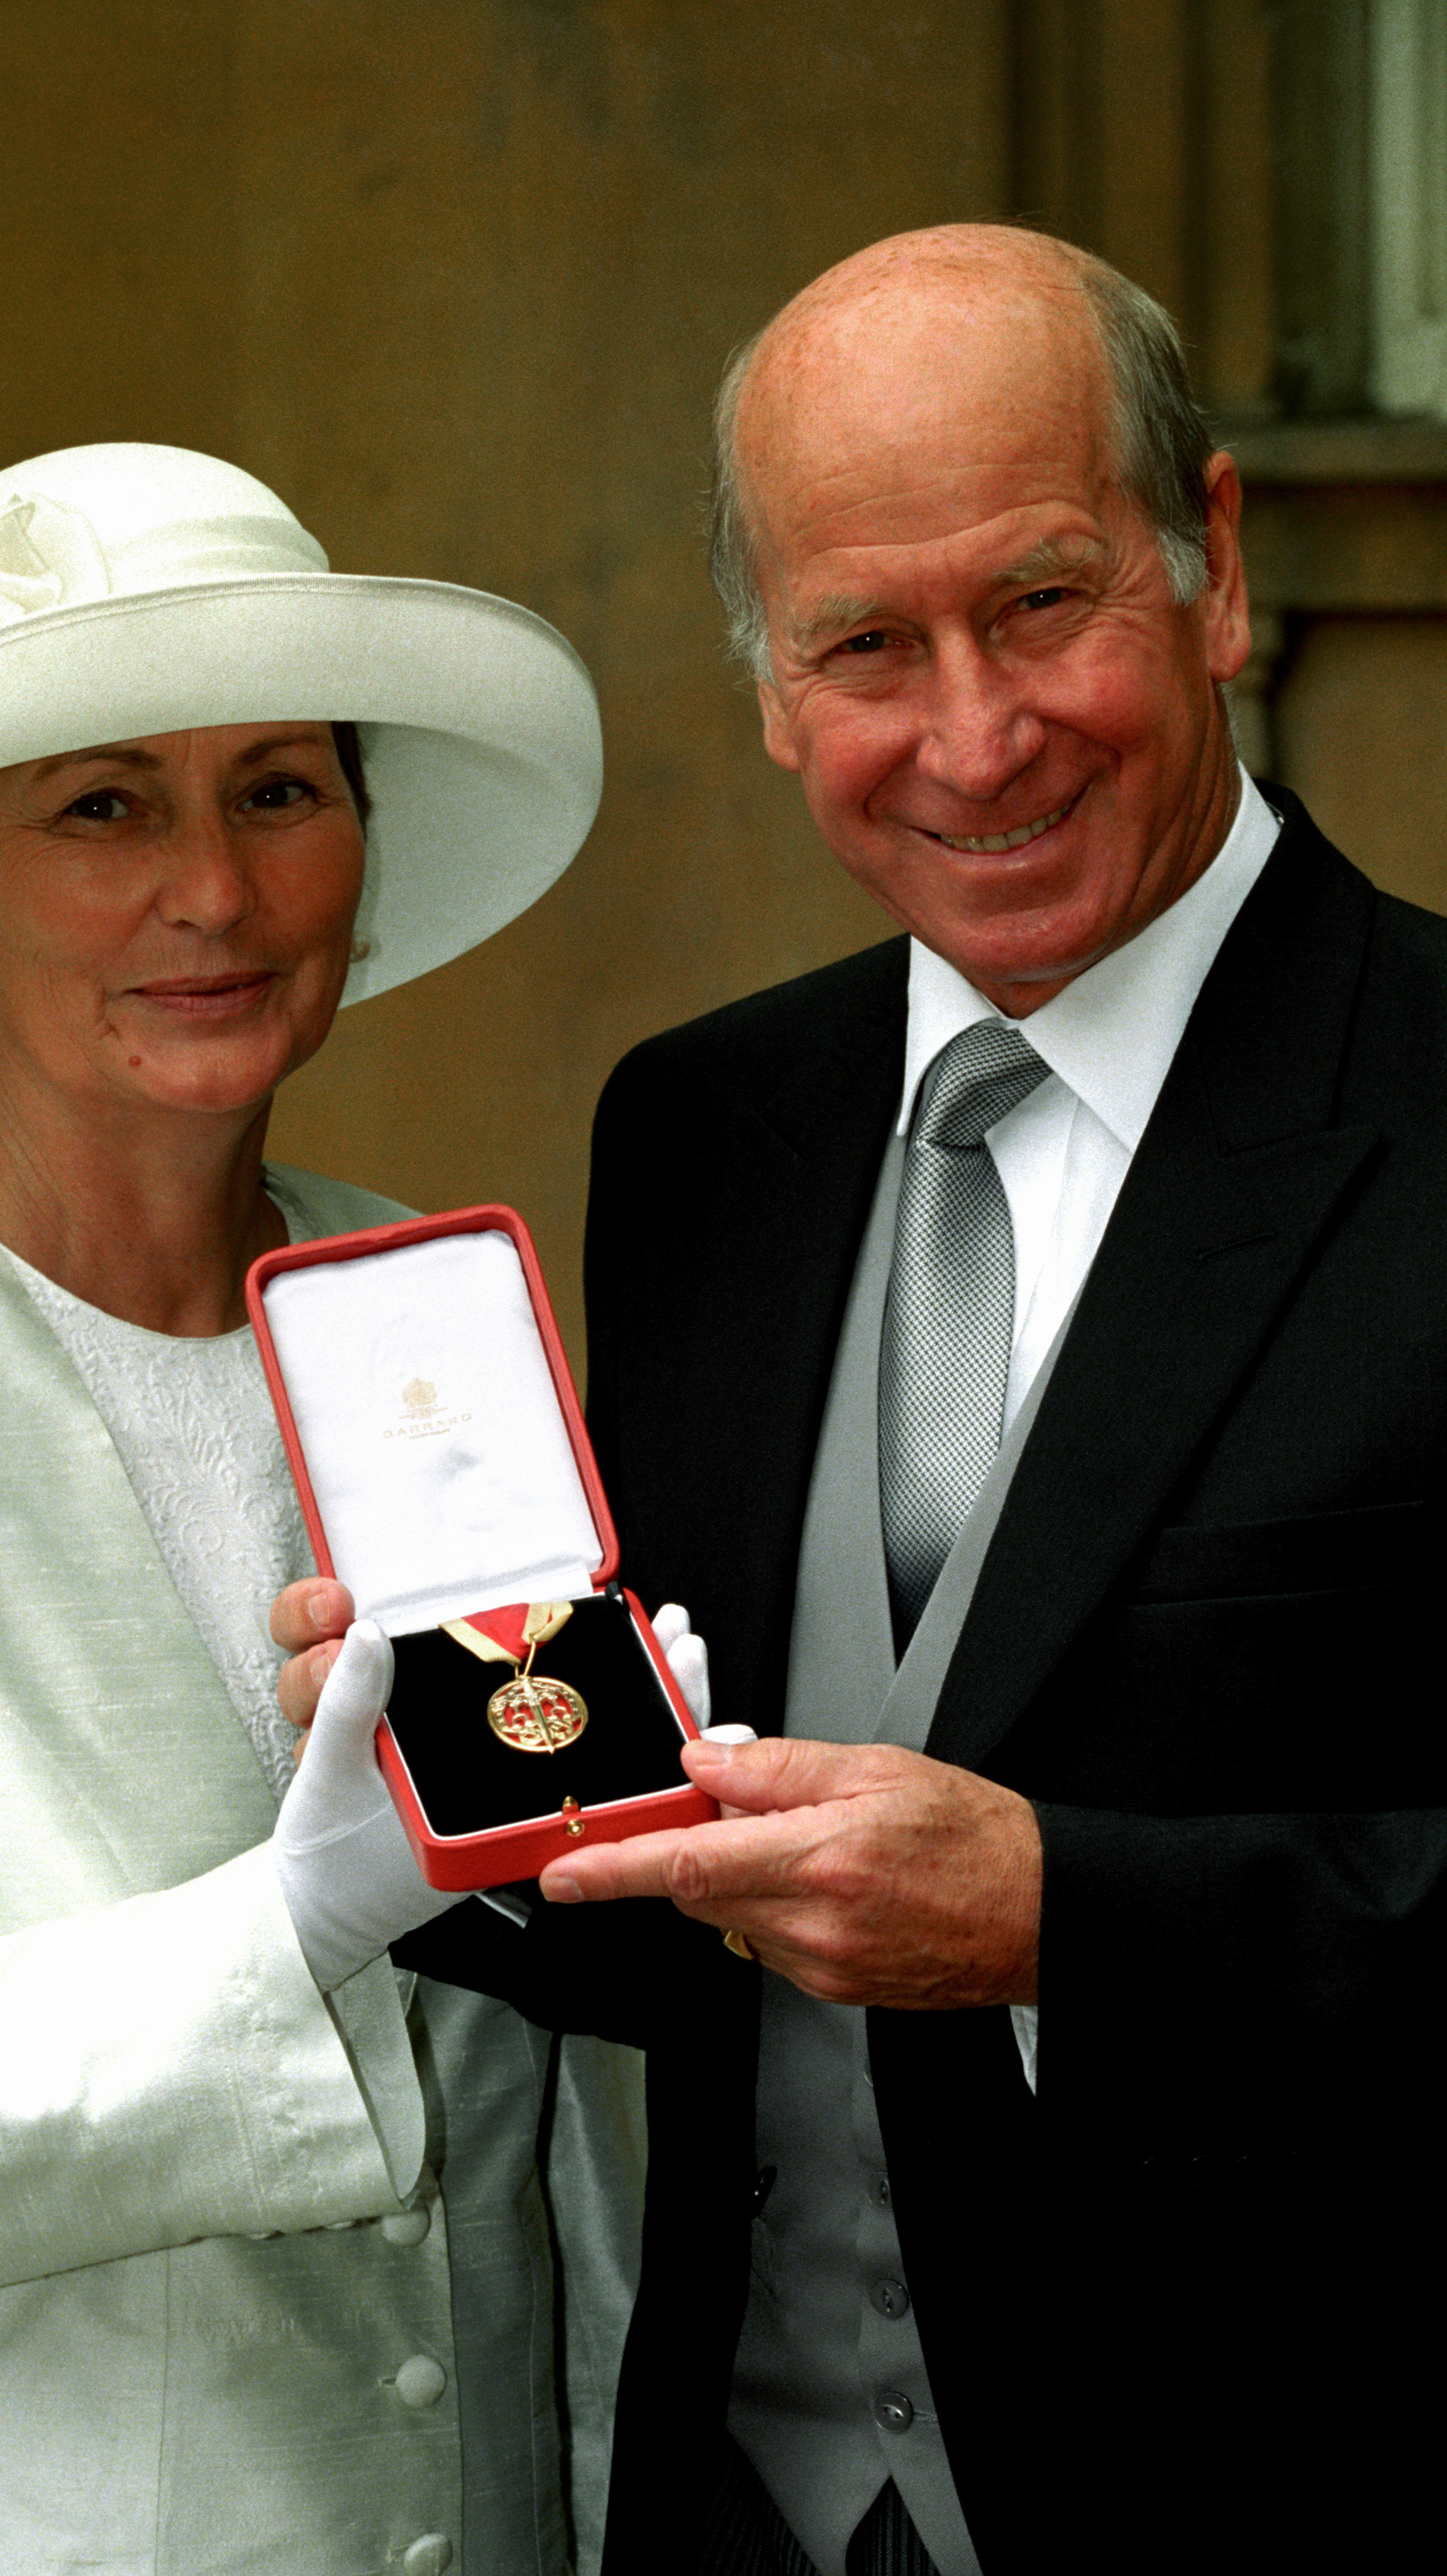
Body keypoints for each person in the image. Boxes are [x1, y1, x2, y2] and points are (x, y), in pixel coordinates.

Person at [277, 226, 1447, 2576]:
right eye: (866, 648)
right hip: (736, 2510)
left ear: (1210, 565)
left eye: (1040, 604)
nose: (975, 736)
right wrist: (439, 1770)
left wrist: (1062, 1921)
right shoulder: (708, 1131)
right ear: (769, 687)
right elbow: (696, 1910)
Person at [0, 440, 646, 2576]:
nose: (213, 892)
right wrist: (301, 1917)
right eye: (103, 804)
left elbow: (557, 2122)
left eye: (281, 789)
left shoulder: (430, 1297)